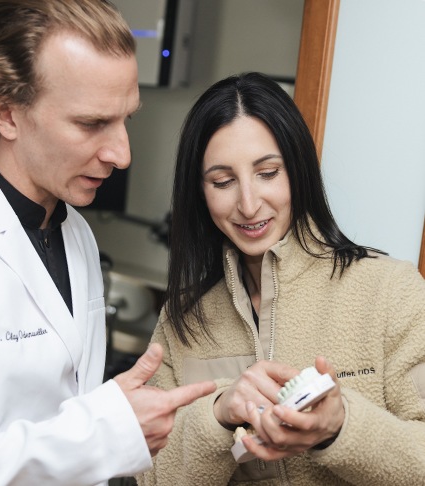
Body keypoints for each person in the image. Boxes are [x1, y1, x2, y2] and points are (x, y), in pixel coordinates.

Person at [0, 1, 216, 484]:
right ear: (5, 113)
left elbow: (65, 408)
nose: (121, 155)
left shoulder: (74, 231)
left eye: (126, 121)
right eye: (91, 123)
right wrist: (103, 435)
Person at [136, 72, 425, 485]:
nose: (249, 204)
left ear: (298, 170)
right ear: (200, 192)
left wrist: (340, 428)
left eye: (268, 173)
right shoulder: (182, 323)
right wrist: (218, 413)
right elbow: (150, 477)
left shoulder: (390, 292)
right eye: (223, 181)